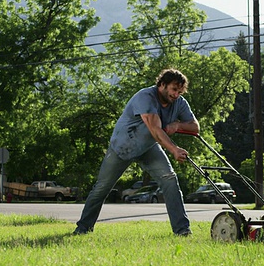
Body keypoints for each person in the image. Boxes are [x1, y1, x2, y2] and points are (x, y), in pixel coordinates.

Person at [73, 68, 199, 236]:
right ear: (162, 84)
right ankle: (83, 228)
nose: (176, 95)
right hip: (122, 147)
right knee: (101, 188)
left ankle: (182, 231)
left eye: (180, 91)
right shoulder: (145, 97)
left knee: (170, 179)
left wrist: (177, 125)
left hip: (148, 148)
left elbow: (195, 127)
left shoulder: (179, 103)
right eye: (174, 89)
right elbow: (155, 129)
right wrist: (174, 149)